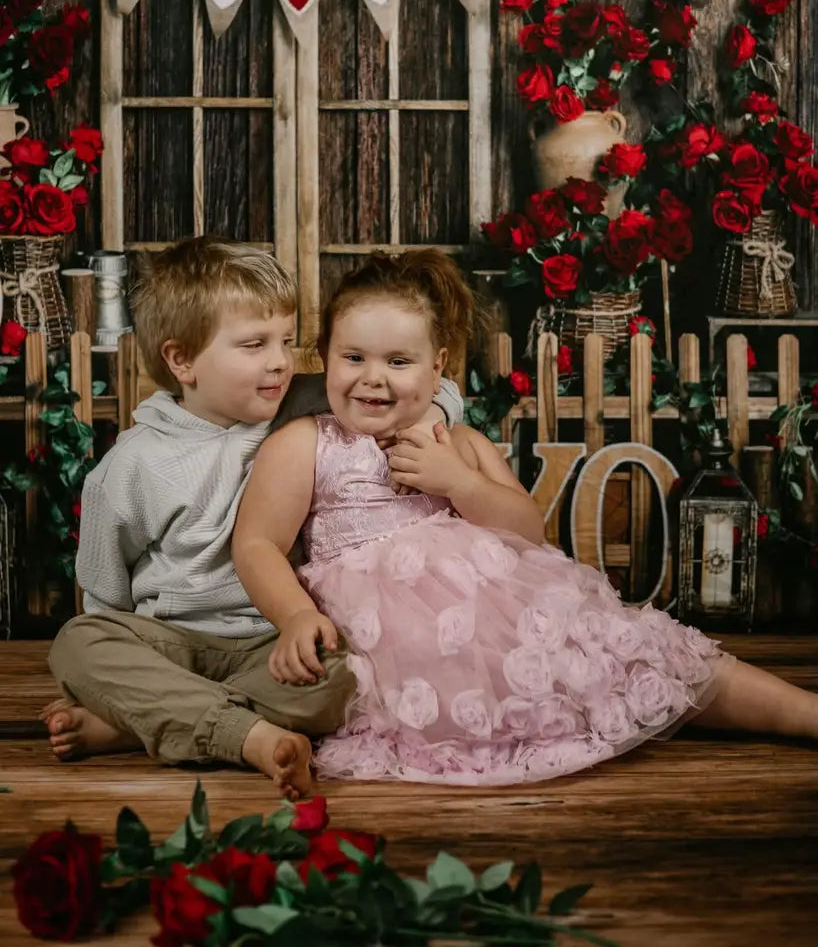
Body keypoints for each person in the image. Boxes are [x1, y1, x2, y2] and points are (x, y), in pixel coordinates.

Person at [233, 248, 818, 784]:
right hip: (390, 645)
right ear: (326, 357)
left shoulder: (456, 440)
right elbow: (257, 542)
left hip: (503, 621)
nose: (373, 377)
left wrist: (458, 481)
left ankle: (803, 713)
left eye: (398, 360)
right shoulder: (307, 444)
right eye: (353, 357)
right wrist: (293, 617)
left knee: (639, 651)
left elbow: (526, 532)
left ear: (437, 367)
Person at [43, 237, 463, 795]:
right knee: (77, 641)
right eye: (254, 344)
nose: (280, 361)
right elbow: (104, 588)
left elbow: (429, 388)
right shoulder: (131, 466)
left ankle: (147, 721)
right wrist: (102, 679)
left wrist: (431, 416)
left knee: (350, 678)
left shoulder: (295, 402)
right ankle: (239, 731)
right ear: (182, 359)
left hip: (278, 643)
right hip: (173, 641)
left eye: (286, 341)